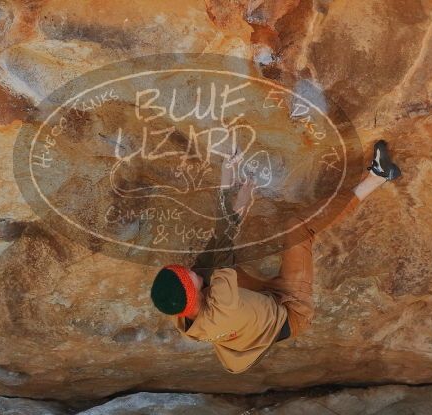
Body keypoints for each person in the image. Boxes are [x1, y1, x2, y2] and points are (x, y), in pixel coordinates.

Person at [149, 140, 402, 374]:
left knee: (214, 266)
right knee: (299, 228)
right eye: (187, 277)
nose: (189, 271)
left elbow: (218, 245)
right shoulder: (221, 303)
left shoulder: (183, 312)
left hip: (260, 307)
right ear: (191, 295)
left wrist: (230, 175)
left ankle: (240, 208)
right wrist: (231, 185)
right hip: (292, 309)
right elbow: (223, 238)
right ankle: (378, 177)